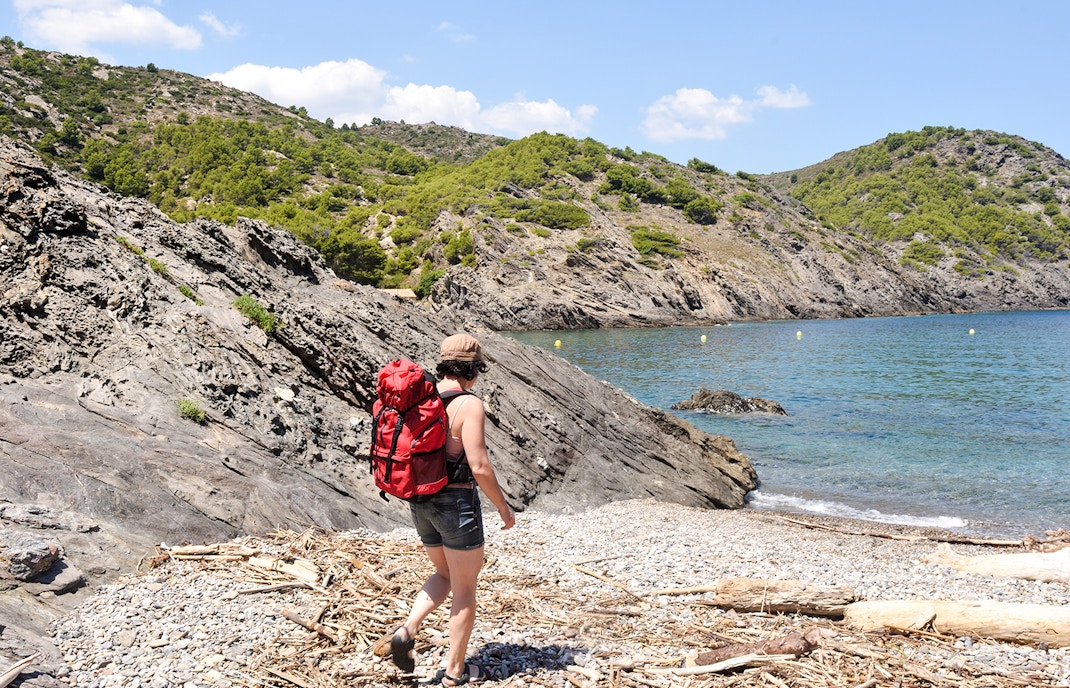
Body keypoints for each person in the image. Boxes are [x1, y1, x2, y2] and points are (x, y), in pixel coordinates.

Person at [390, 333, 516, 686]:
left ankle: (407, 629)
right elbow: (479, 465)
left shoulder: (421, 400)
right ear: (473, 369)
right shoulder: (469, 404)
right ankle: (455, 672)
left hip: (420, 502)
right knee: (464, 590)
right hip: (456, 503)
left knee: (444, 575)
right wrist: (503, 508)